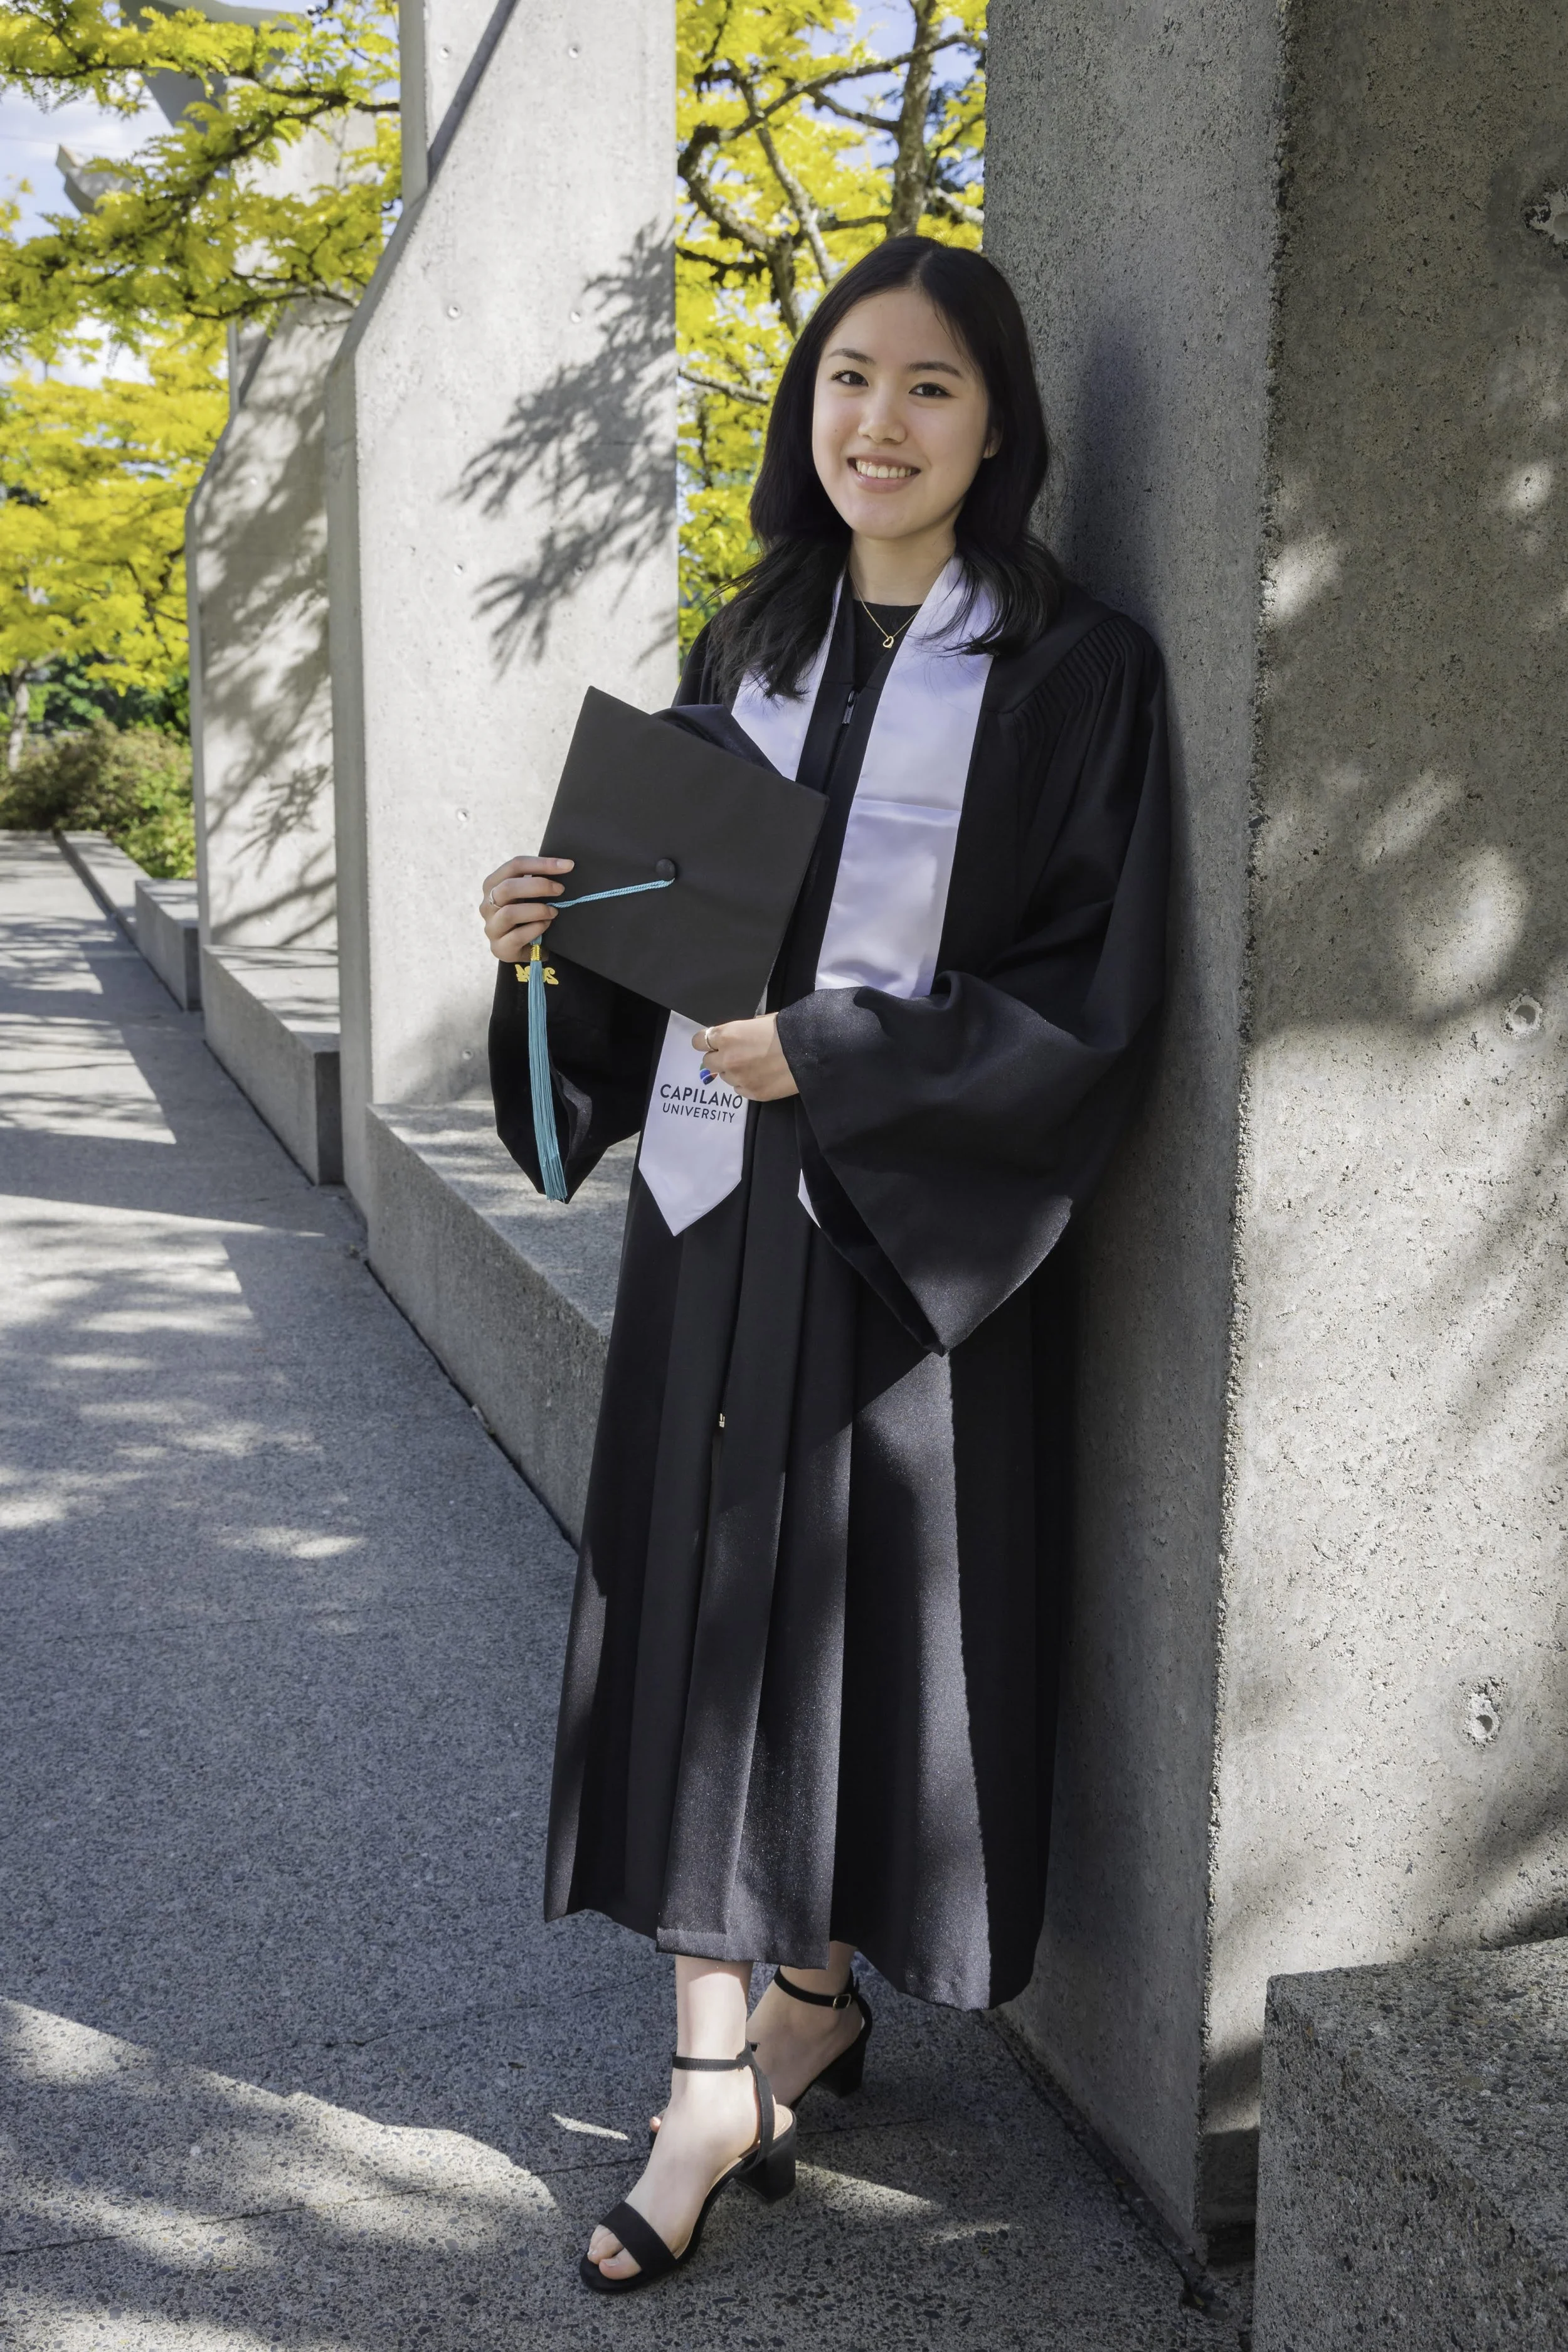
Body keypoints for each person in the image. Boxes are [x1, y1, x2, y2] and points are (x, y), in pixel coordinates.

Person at [479, 235, 1170, 2293]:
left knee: (842, 1633)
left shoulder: (1074, 675)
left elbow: (1091, 993)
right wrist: (545, 934)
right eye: (845, 376)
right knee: (707, 1619)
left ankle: (812, 1998)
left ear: (998, 423)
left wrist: (856, 1050)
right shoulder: (747, 641)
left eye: (931, 387)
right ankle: (714, 2070)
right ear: (805, 407)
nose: (877, 420)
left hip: (896, 1243)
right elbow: (657, 943)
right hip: (714, 1231)